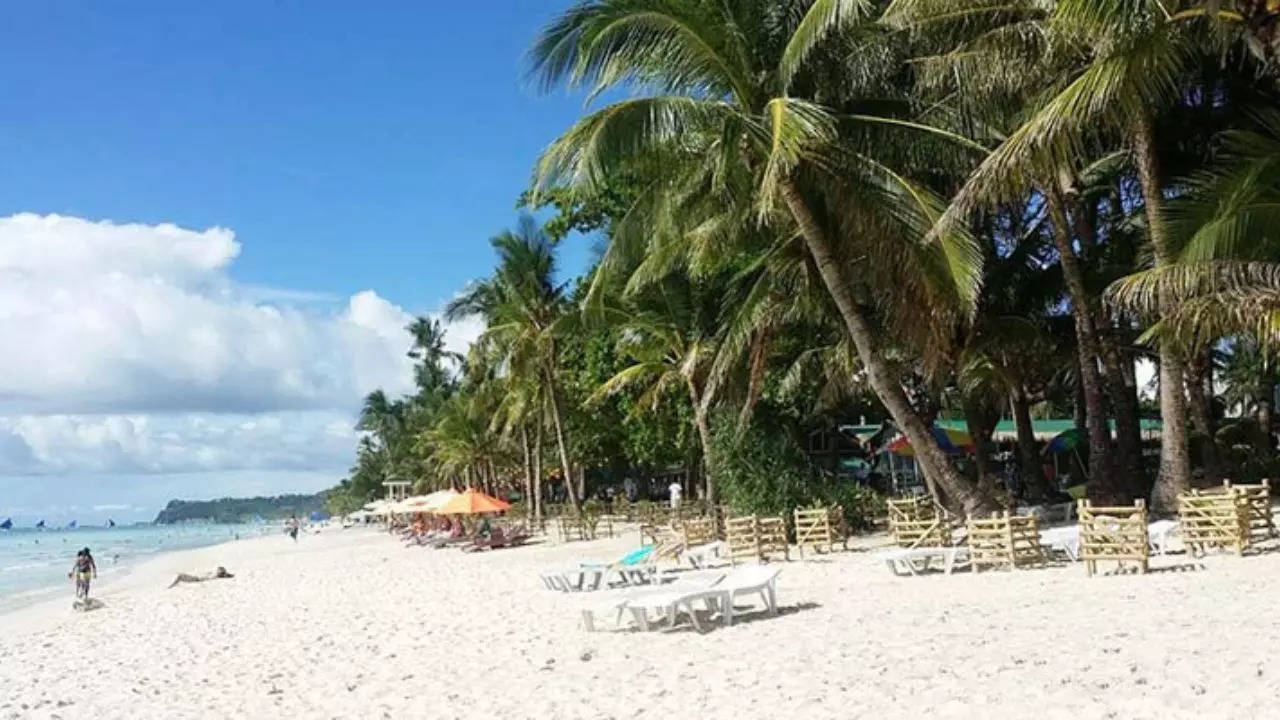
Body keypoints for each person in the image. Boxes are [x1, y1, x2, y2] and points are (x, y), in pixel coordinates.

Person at [168, 566, 234, 589]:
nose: (217, 570)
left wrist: (227, 575)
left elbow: (224, 575)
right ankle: (173, 585)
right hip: (196, 577)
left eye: (219, 570)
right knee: (179, 575)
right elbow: (226, 575)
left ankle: (172, 586)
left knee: (180, 576)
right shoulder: (215, 574)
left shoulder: (216, 575)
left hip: (196, 579)